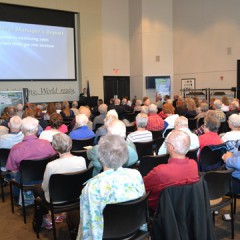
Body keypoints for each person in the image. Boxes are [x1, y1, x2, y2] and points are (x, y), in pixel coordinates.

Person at [75, 135, 145, 240]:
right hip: (134, 231)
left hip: (106, 236)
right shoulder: (136, 175)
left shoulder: (93, 186)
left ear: (100, 157)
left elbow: (89, 224)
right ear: (125, 154)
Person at [39, 133, 87, 229]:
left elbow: (44, 188)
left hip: (56, 200)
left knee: (38, 190)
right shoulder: (81, 160)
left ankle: (48, 218)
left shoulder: (51, 165)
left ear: (54, 147)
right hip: (77, 196)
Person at [144, 130, 199, 212]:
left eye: (167, 142)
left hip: (162, 211)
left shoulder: (160, 171)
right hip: (186, 209)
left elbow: (142, 187)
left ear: (171, 147)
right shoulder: (194, 165)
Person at [6, 117, 56, 199]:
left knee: (14, 174)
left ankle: (19, 198)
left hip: (25, 182)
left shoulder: (16, 148)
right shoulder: (47, 144)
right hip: (45, 179)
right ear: (36, 129)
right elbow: (53, 160)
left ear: (21, 129)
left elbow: (13, 170)